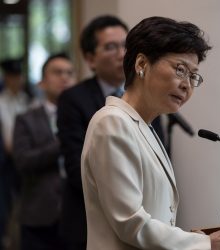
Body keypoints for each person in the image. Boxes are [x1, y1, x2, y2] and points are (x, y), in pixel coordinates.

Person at [81, 16, 220, 250]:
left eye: (193, 76)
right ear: (141, 64)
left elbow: (155, 216)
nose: (187, 85)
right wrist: (206, 243)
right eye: (180, 70)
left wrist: (187, 238)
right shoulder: (112, 122)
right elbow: (131, 223)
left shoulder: (144, 126)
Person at [57, 15, 165, 250]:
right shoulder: (74, 99)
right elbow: (75, 166)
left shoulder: (150, 98)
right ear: (90, 59)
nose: (121, 54)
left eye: (126, 45)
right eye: (110, 47)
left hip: (148, 224)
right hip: (89, 225)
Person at [12, 53, 75, 250]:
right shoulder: (26, 119)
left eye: (69, 73)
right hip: (38, 216)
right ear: (42, 82)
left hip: (76, 215)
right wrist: (60, 143)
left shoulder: (85, 117)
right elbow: (23, 161)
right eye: (57, 72)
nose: (64, 77)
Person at [0, 58, 30, 249]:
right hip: (6, 163)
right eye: (12, 77)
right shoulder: (1, 102)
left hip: (25, 160)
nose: (16, 80)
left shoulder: (26, 100)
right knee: (4, 204)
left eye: (18, 76)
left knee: (24, 203)